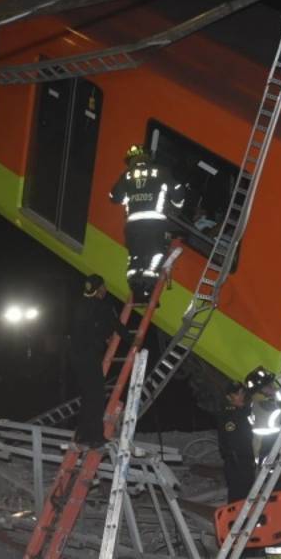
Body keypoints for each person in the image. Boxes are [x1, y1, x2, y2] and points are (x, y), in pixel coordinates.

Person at [109, 145, 185, 303]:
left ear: (130, 160)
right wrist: (176, 207)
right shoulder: (161, 171)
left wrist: (130, 199)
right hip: (155, 224)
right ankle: (147, 290)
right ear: (148, 157)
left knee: (135, 257)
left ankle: (136, 289)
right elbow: (178, 190)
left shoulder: (127, 175)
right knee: (155, 254)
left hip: (133, 226)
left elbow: (113, 197)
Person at [68, 274, 134, 448]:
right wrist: (134, 340)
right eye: (103, 287)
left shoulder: (81, 305)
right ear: (98, 289)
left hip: (76, 357)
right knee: (96, 396)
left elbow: (88, 328)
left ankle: (82, 435)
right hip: (89, 356)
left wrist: (103, 336)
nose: (106, 290)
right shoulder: (101, 306)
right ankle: (95, 437)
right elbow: (116, 325)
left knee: (88, 396)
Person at [217, 382, 256, 502]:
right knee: (238, 497)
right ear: (229, 397)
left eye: (242, 393)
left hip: (246, 460)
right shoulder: (229, 415)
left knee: (247, 495)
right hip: (236, 462)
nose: (241, 396)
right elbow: (233, 441)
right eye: (237, 394)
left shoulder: (245, 411)